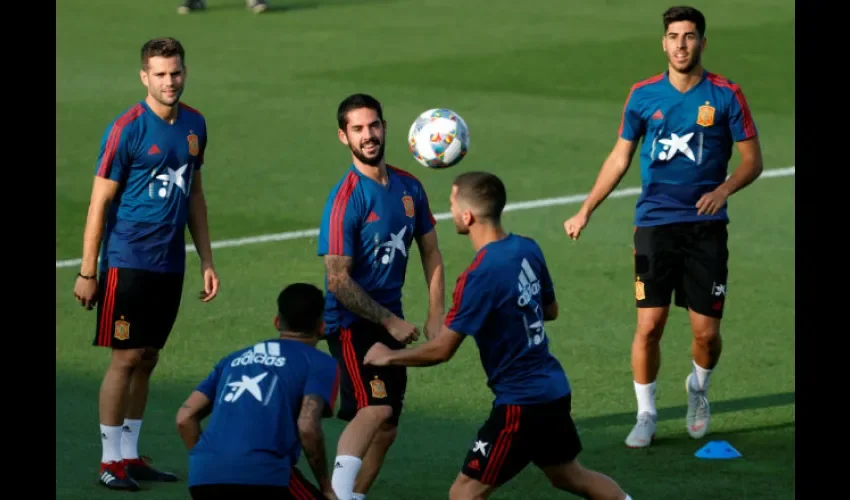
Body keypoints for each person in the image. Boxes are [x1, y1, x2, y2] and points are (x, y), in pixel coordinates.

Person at [562, 5, 764, 448]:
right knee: (649, 326)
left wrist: (724, 191)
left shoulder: (727, 95)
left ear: (703, 43)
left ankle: (698, 389)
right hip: (654, 224)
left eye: (689, 36)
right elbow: (620, 157)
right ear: (663, 42)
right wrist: (586, 210)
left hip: (706, 227)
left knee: (705, 334)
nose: (681, 44)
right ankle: (646, 414)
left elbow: (753, 161)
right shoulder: (642, 95)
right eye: (673, 36)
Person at [364, 172, 632, 500]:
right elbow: (550, 311)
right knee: (569, 475)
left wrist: (388, 357)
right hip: (553, 389)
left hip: (522, 404)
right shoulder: (526, 248)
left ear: (467, 216)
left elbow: (442, 351)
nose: (449, 210)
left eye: (451, 203)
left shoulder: (479, 276)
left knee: (465, 493)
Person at [71, 37, 221, 491]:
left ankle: (131, 455)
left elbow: (194, 194)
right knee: (126, 357)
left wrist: (206, 260)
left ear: (184, 71)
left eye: (175, 72)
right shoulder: (127, 128)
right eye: (159, 74)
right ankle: (108, 459)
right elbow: (99, 203)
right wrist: (88, 270)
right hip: (127, 260)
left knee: (150, 357)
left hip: (169, 261)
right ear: (144, 77)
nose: (169, 81)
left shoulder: (195, 124)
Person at [317, 93, 446, 500]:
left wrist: (436, 314)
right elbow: (337, 280)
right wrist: (389, 321)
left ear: (385, 127)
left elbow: (431, 251)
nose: (368, 135)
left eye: (373, 126)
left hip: (394, 320)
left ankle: (352, 495)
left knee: (388, 427)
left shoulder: (410, 186)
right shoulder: (345, 200)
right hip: (351, 324)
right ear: (344, 137)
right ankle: (337, 495)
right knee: (376, 409)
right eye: (358, 129)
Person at [176, 283, 339, 500]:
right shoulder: (319, 363)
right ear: (321, 327)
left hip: (204, 476)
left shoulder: (232, 360)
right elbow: (308, 427)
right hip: (263, 476)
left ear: (277, 322)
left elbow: (184, 417)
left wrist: (213, 463)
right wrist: (326, 486)